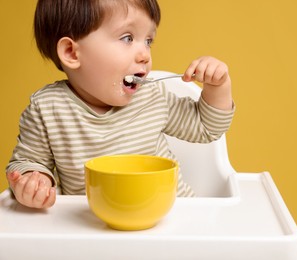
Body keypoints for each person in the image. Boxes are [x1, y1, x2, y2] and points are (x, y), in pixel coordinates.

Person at [6, 0, 234, 209]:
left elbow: (207, 127)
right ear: (71, 53)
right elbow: (26, 162)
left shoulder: (152, 96)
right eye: (127, 38)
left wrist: (217, 86)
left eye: (148, 41)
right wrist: (34, 180)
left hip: (169, 218)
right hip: (93, 229)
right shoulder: (47, 110)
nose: (145, 54)